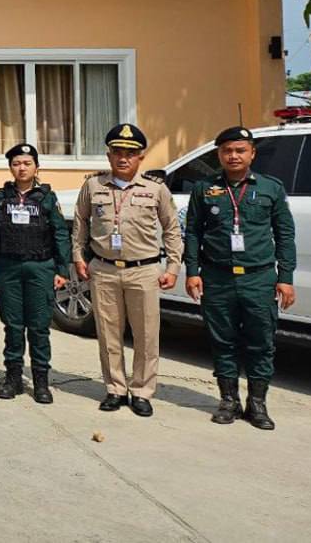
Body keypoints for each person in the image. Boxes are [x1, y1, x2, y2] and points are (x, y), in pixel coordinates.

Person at [184, 126, 296, 430]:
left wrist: (285, 277)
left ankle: (257, 403)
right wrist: (192, 272)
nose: (233, 156)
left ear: (252, 154)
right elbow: (192, 232)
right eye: (227, 151)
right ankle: (229, 400)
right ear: (219, 154)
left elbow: (284, 234)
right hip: (217, 277)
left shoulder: (271, 188)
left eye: (240, 150)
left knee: (261, 342)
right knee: (223, 340)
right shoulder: (204, 188)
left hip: (258, 278)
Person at [72, 124, 183, 417]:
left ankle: (142, 392)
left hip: (143, 271)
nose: (123, 158)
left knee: (146, 335)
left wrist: (173, 266)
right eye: (117, 152)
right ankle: (115, 389)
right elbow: (80, 223)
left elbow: (172, 229)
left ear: (140, 157)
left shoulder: (156, 189)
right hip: (104, 269)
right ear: (109, 155)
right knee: (108, 333)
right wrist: (78, 256)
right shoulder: (93, 186)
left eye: (130, 153)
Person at [0, 143, 70, 403]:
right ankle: (13, 378)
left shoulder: (47, 198)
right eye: (16, 164)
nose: (21, 168)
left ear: (36, 167)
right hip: (7, 267)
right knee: (13, 325)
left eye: (27, 163)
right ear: (11, 168)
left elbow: (60, 233)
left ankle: (41, 381)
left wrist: (62, 268)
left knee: (39, 327)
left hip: (40, 268)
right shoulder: (1, 198)